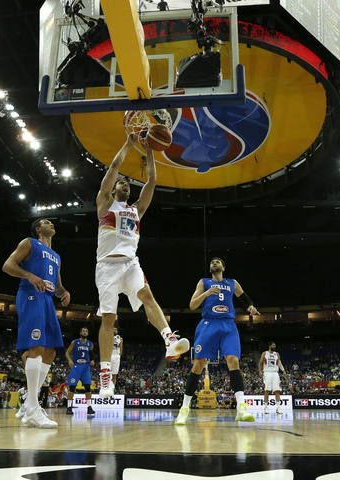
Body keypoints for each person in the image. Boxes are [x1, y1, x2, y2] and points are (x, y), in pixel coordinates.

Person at [95, 135, 189, 397]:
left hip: (130, 264)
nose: (124, 185)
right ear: (114, 190)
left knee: (148, 295)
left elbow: (152, 181)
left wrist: (149, 151)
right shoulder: (104, 205)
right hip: (107, 267)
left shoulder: (137, 210)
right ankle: (105, 375)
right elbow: (113, 169)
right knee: (109, 319)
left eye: (127, 184)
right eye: (121, 184)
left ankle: (169, 340)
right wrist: (127, 143)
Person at [175, 257, 260, 425]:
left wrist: (250, 306)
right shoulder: (204, 282)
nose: (214, 263)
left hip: (228, 325)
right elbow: (192, 305)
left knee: (233, 361)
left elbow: (245, 299)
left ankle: (241, 408)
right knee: (198, 364)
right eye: (212, 262)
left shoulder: (232, 283)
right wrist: (206, 293)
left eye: (218, 262)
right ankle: (184, 409)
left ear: (223, 267)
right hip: (208, 324)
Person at [2, 218, 70, 428]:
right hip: (31, 295)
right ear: (39, 229)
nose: (51, 224)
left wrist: (64, 292)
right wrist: (29, 275)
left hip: (48, 300)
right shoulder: (29, 243)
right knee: (37, 347)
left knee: (50, 351)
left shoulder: (56, 256)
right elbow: (8, 265)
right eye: (46, 222)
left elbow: (57, 286)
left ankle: (29, 403)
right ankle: (32, 407)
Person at [65, 327, 96, 416]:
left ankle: (89, 408)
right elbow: (67, 352)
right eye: (83, 331)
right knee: (72, 388)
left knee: (88, 388)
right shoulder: (75, 342)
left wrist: (93, 360)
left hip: (86, 367)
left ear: (88, 333)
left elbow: (91, 354)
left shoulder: (90, 344)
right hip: (76, 366)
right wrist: (69, 360)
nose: (85, 332)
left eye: (86, 331)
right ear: (80, 332)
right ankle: (69, 407)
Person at [259, 341, 286, 415]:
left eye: (275, 345)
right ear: (269, 346)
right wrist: (260, 371)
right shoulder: (265, 353)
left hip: (275, 373)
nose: (274, 346)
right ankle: (266, 408)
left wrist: (283, 370)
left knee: (277, 390)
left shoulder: (276, 354)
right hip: (267, 373)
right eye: (273, 345)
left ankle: (278, 408)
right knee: (267, 390)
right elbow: (260, 363)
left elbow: (279, 363)